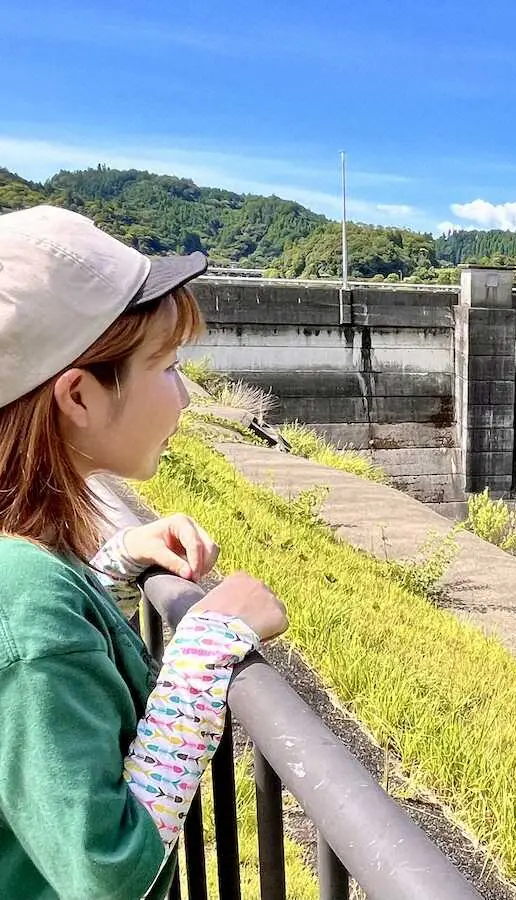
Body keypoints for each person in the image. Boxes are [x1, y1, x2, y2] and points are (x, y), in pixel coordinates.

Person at [0, 205, 289, 899]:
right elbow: (107, 872)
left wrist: (112, 562)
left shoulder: (25, 572)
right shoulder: (24, 603)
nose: (185, 395)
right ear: (77, 394)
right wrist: (204, 650)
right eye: (165, 364)